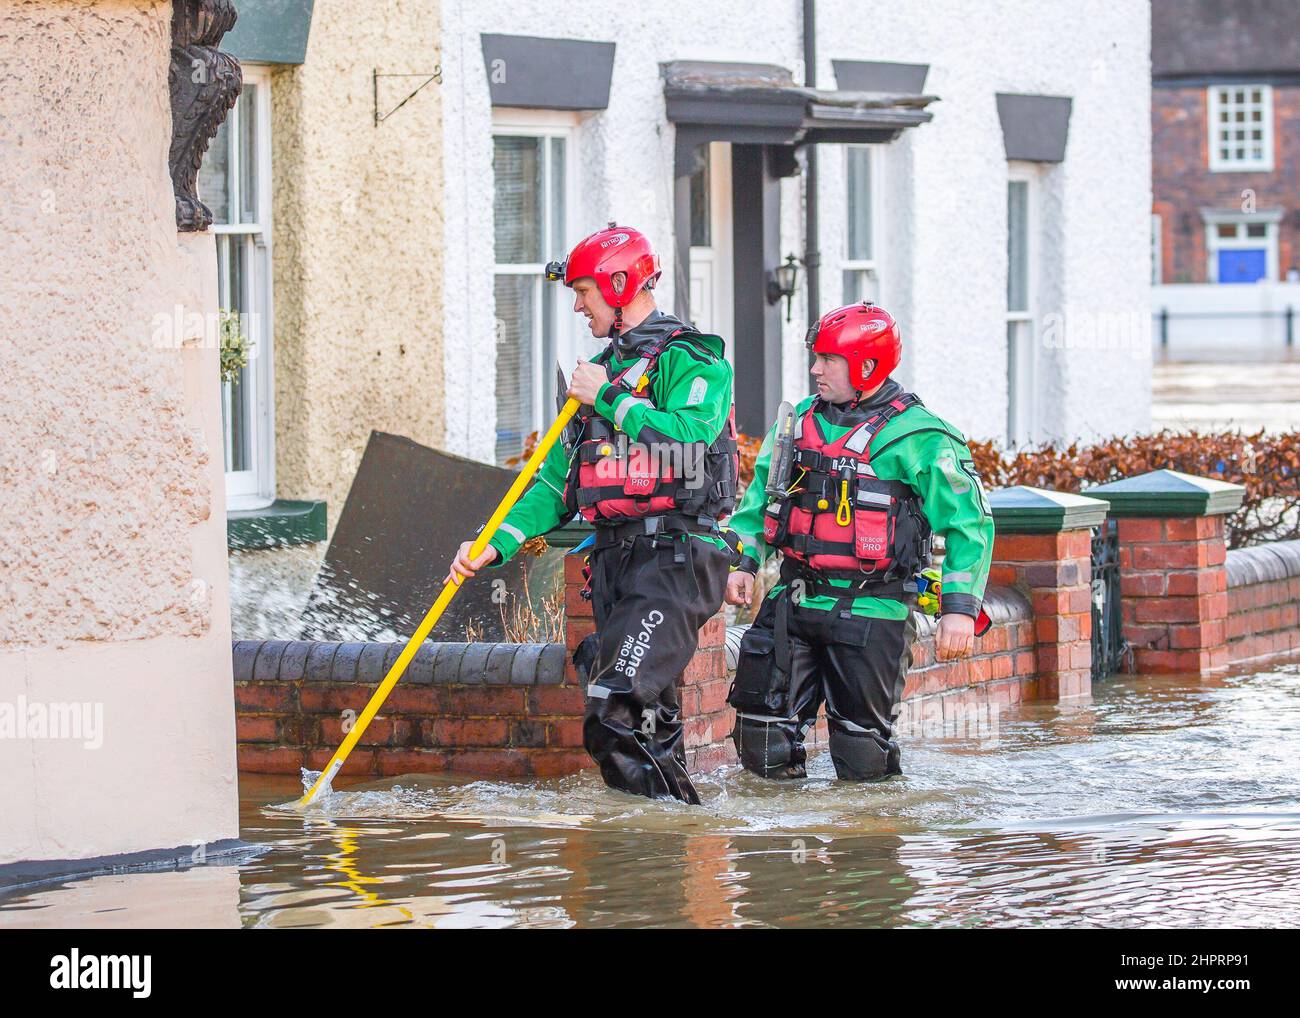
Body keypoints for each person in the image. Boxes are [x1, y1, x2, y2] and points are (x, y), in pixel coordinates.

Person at [446, 223, 738, 804]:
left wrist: (607, 396)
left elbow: (687, 439)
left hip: (674, 561)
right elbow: (554, 485)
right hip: (614, 561)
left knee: (614, 705)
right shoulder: (591, 380)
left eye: (584, 291)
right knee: (649, 722)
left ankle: (653, 839)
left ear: (620, 283)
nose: (578, 306)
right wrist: (493, 541)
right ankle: (660, 858)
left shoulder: (694, 359)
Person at [724, 301, 993, 781]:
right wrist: (743, 563)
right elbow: (759, 502)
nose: (815, 369)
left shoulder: (921, 436)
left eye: (828, 360)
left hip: (874, 612)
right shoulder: (799, 423)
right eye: (816, 357)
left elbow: (968, 524)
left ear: (867, 366)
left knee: (861, 753)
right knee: (761, 740)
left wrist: (959, 609)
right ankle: (776, 850)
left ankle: (866, 847)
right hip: (793, 601)